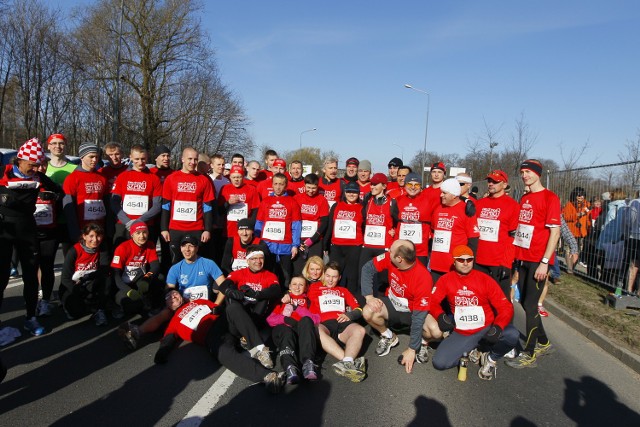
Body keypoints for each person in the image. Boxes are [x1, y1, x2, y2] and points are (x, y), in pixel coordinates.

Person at [148, 289, 287, 393]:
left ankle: (259, 349)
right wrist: (162, 353)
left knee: (233, 308)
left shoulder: (197, 302)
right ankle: (268, 377)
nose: (173, 296)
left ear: (180, 295)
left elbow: (216, 308)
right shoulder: (174, 322)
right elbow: (168, 339)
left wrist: (218, 310)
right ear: (166, 304)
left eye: (175, 293)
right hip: (211, 337)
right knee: (223, 354)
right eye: (169, 297)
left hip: (222, 323)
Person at [430, 245, 518, 380]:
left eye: (469, 259)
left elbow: (505, 306)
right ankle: (471, 349)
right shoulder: (446, 280)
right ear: (454, 261)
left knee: (512, 335)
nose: (465, 263)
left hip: (486, 328)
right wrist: (440, 316)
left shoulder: (485, 280)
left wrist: (498, 327)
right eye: (461, 260)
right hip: (463, 332)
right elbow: (432, 301)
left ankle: (490, 358)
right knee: (440, 363)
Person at [0, 138, 60, 335]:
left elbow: (60, 192)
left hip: (27, 229)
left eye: (37, 165)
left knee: (31, 275)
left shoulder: (39, 178)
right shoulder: (4, 172)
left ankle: (30, 317)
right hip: (4, 229)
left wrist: (52, 196)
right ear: (20, 160)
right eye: (31, 165)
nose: (34, 169)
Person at [507, 159, 561, 369]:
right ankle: (545, 342)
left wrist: (545, 263)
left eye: (528, 172)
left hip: (538, 260)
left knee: (531, 306)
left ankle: (529, 353)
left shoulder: (550, 198)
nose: (524, 175)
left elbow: (555, 233)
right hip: (523, 257)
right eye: (522, 172)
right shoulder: (526, 197)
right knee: (524, 302)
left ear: (538, 173)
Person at [361, 240, 436, 373]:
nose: (388, 251)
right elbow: (367, 268)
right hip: (392, 306)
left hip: (413, 312)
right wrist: (369, 297)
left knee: (435, 331)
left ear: (400, 259)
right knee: (368, 311)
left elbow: (419, 317)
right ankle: (388, 336)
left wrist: (412, 349)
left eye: (391, 250)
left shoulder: (423, 277)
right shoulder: (390, 259)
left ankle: (422, 343)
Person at [218, 245, 282, 369]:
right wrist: (231, 292)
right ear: (247, 260)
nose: (258, 261)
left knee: (264, 297)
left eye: (261, 258)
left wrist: (258, 294)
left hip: (256, 318)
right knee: (232, 306)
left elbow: (276, 290)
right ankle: (259, 348)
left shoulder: (269, 275)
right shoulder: (239, 273)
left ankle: (251, 344)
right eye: (254, 259)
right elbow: (223, 285)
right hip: (237, 320)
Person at [308, 261, 367, 382]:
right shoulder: (313, 287)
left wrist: (349, 314)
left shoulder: (343, 290)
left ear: (339, 277)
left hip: (342, 323)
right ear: (323, 275)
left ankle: (347, 363)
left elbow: (359, 309)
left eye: (334, 277)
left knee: (360, 330)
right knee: (317, 330)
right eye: (328, 276)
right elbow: (297, 291)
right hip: (323, 324)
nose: (330, 280)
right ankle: (349, 362)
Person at [160, 147, 215, 263]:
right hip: (175, 228)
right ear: (182, 159)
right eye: (189, 159)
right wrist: (164, 228)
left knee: (196, 262)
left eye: (195, 159)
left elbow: (208, 207)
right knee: (175, 262)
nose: (193, 162)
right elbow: (166, 205)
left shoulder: (203, 180)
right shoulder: (171, 179)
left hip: (196, 228)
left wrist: (207, 229)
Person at [474, 170, 520, 298]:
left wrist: (507, 263)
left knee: (501, 300)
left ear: (504, 185)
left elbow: (513, 237)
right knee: (479, 298)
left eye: (495, 181)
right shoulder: (479, 204)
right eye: (489, 181)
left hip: (498, 262)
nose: (491, 184)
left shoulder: (513, 206)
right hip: (478, 260)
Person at [267, 276, 320, 383]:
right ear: (290, 286)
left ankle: (308, 363)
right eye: (294, 284)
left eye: (301, 284)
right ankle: (290, 367)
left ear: (305, 288)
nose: (297, 287)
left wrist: (296, 307)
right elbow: (270, 320)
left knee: (306, 320)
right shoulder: (282, 300)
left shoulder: (308, 301)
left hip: (301, 332)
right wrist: (286, 319)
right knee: (286, 331)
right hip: (283, 330)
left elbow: (316, 319)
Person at [110, 145, 163, 249]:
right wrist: (127, 221)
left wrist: (140, 221)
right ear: (131, 157)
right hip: (124, 224)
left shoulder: (154, 178)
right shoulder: (122, 177)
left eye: (143, 159)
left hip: (146, 224)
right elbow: (114, 202)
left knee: (145, 258)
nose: (140, 162)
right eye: (137, 159)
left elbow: (157, 205)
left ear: (147, 158)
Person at [255, 173, 301, 288]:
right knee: (268, 275)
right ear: (272, 185)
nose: (278, 187)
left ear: (285, 186)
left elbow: (296, 225)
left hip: (285, 246)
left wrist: (295, 245)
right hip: (267, 245)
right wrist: (257, 242)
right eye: (275, 184)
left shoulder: (292, 202)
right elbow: (259, 223)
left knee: (286, 277)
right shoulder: (265, 201)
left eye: (281, 184)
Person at [429, 178, 480, 283]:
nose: (441, 195)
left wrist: (467, 263)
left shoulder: (466, 210)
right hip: (436, 265)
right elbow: (434, 232)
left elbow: (473, 240)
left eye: (444, 193)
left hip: (454, 266)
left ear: (454, 195)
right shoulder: (438, 209)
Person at [60, 223, 109, 326]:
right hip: (73, 285)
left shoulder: (102, 248)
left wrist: (87, 278)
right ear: (84, 236)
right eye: (91, 236)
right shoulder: (74, 250)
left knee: (107, 280)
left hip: (89, 282)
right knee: (76, 313)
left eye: (98, 236)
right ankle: (69, 303)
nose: (95, 240)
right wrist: (78, 290)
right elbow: (65, 278)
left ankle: (100, 310)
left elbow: (104, 271)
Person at [33, 158, 64, 317]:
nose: (40, 168)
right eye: (37, 165)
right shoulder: (24, 182)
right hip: (30, 233)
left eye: (43, 165)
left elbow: (63, 198)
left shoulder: (51, 184)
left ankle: (45, 300)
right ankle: (33, 301)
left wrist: (55, 197)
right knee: (31, 267)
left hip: (50, 232)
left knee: (47, 266)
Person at [358, 173, 396, 298]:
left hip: (383, 246)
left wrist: (394, 231)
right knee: (364, 277)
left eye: (375, 184)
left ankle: (382, 307)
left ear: (384, 186)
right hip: (368, 246)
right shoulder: (368, 201)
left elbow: (398, 222)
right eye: (371, 184)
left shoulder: (392, 203)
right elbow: (361, 220)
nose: (372, 186)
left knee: (382, 281)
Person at [111, 222, 161, 315]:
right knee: (131, 307)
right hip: (124, 284)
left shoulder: (150, 245)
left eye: (144, 232)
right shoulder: (122, 248)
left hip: (140, 281)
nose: (142, 236)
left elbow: (155, 266)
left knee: (159, 282)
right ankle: (117, 305)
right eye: (138, 233)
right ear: (132, 234)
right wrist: (127, 290)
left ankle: (151, 305)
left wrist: (146, 279)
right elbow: (115, 274)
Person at [62, 142, 108, 242]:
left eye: (97, 157)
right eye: (91, 157)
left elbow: (106, 203)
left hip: (100, 228)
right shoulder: (72, 178)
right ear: (82, 157)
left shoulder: (102, 178)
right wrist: (74, 232)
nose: (94, 160)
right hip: (83, 229)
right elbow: (68, 208)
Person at [325, 181, 364, 295]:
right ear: (345, 192)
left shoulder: (362, 207)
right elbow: (330, 226)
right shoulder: (336, 205)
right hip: (337, 246)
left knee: (352, 275)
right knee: (335, 274)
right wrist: (326, 244)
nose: (351, 194)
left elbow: (366, 226)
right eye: (349, 192)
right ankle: (335, 297)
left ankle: (351, 299)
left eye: (355, 192)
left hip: (354, 246)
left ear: (358, 194)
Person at [391, 172, 434, 268]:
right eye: (410, 184)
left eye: (417, 184)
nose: (413, 187)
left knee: (419, 277)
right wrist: (391, 229)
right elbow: (391, 218)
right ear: (405, 185)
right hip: (401, 248)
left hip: (420, 250)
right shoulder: (398, 200)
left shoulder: (428, 201)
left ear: (420, 186)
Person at [294, 173, 330, 276]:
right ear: (304, 185)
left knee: (314, 269)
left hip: (315, 240)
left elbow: (324, 222)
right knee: (298, 269)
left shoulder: (322, 200)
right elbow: (293, 221)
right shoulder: (297, 198)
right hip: (299, 239)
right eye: (308, 187)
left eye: (314, 188)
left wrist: (312, 239)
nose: (311, 190)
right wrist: (297, 241)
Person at [217, 165, 260, 240]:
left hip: (245, 231)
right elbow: (219, 211)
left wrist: (250, 226)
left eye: (239, 177)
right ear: (230, 177)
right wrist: (228, 203)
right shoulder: (225, 188)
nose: (236, 179)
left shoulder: (251, 189)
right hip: (229, 230)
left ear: (243, 177)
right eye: (234, 177)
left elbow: (255, 210)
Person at [562, 187, 591, 272]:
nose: (581, 197)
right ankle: (569, 268)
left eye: (582, 195)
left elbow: (588, 218)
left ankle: (573, 267)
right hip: (570, 231)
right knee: (568, 249)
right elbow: (566, 217)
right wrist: (577, 215)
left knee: (578, 250)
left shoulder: (587, 204)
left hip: (581, 232)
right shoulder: (569, 205)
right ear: (574, 195)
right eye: (579, 195)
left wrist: (588, 227)